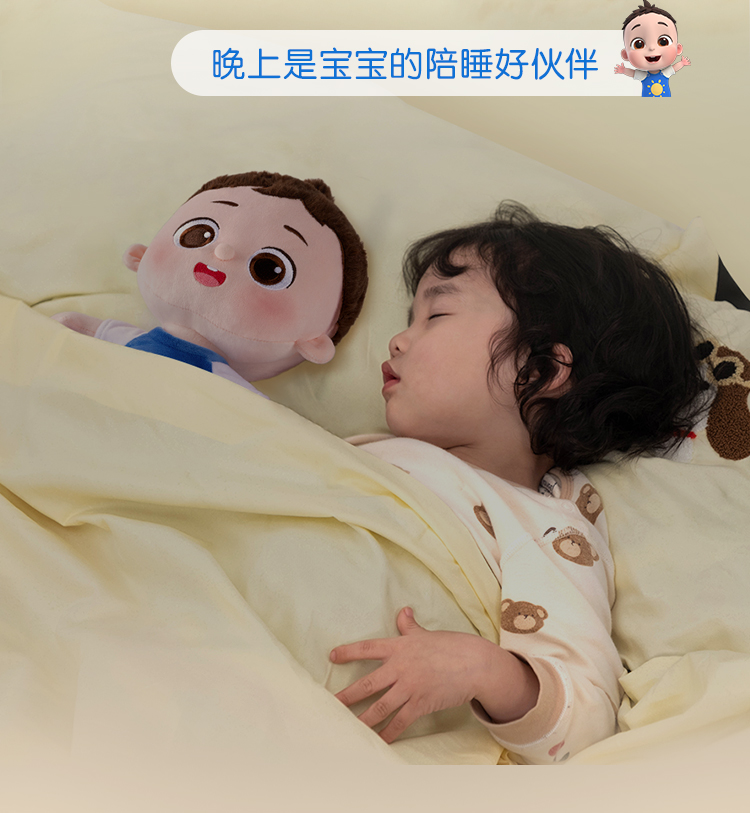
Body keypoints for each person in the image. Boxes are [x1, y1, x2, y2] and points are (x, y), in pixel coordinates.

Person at [329, 202, 707, 764]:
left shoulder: (545, 524)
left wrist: (483, 670)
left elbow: (585, 715)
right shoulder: (361, 450)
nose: (398, 341)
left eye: (436, 316)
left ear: (540, 371)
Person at [52, 171, 368, 392]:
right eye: (200, 234)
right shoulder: (131, 339)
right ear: (140, 256)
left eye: (268, 268)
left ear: (314, 342)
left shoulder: (232, 391)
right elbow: (73, 327)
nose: (223, 251)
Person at [614, 1, 690, 97]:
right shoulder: (643, 76)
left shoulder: (665, 73)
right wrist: (624, 70)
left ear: (678, 49)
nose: (652, 48)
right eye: (638, 44)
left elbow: (674, 68)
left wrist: (682, 63)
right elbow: (633, 73)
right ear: (626, 55)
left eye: (663, 41)